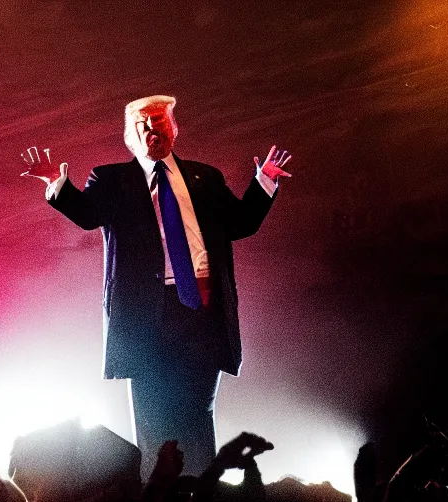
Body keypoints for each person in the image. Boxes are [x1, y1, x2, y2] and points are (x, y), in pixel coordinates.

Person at [21, 94, 292, 478]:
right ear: (131, 137)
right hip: (144, 314)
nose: (153, 129)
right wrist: (56, 182)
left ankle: (202, 492)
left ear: (173, 128)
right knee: (152, 417)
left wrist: (264, 181)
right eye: (143, 124)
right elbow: (86, 214)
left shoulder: (204, 177)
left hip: (199, 309)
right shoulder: (112, 179)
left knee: (197, 415)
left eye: (160, 121)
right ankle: (157, 496)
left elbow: (240, 223)